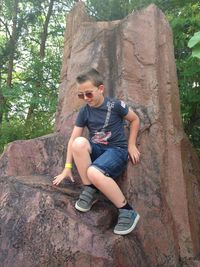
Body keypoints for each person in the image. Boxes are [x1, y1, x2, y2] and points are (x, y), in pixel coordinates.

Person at [53, 68, 140, 235]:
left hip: (116, 151)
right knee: (78, 143)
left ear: (100, 89)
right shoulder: (84, 111)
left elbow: (135, 119)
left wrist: (131, 145)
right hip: (98, 149)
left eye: (89, 94)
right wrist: (67, 167)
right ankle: (91, 190)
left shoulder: (115, 106)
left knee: (93, 171)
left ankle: (128, 210)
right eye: (81, 95)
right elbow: (73, 139)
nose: (86, 98)